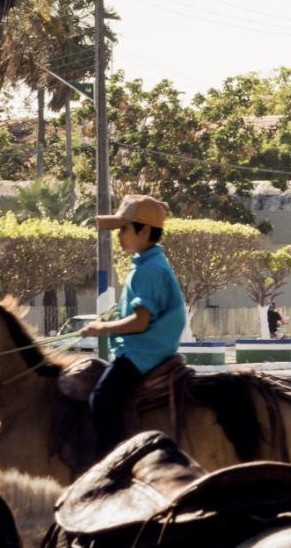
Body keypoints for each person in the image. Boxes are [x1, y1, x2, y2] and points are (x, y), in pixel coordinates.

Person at [82, 195, 185, 457]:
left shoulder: (149, 269)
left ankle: (115, 463)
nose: (119, 235)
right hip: (143, 350)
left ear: (146, 231)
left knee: (102, 399)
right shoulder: (145, 264)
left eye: (124, 228)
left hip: (144, 353)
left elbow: (140, 322)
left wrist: (101, 329)